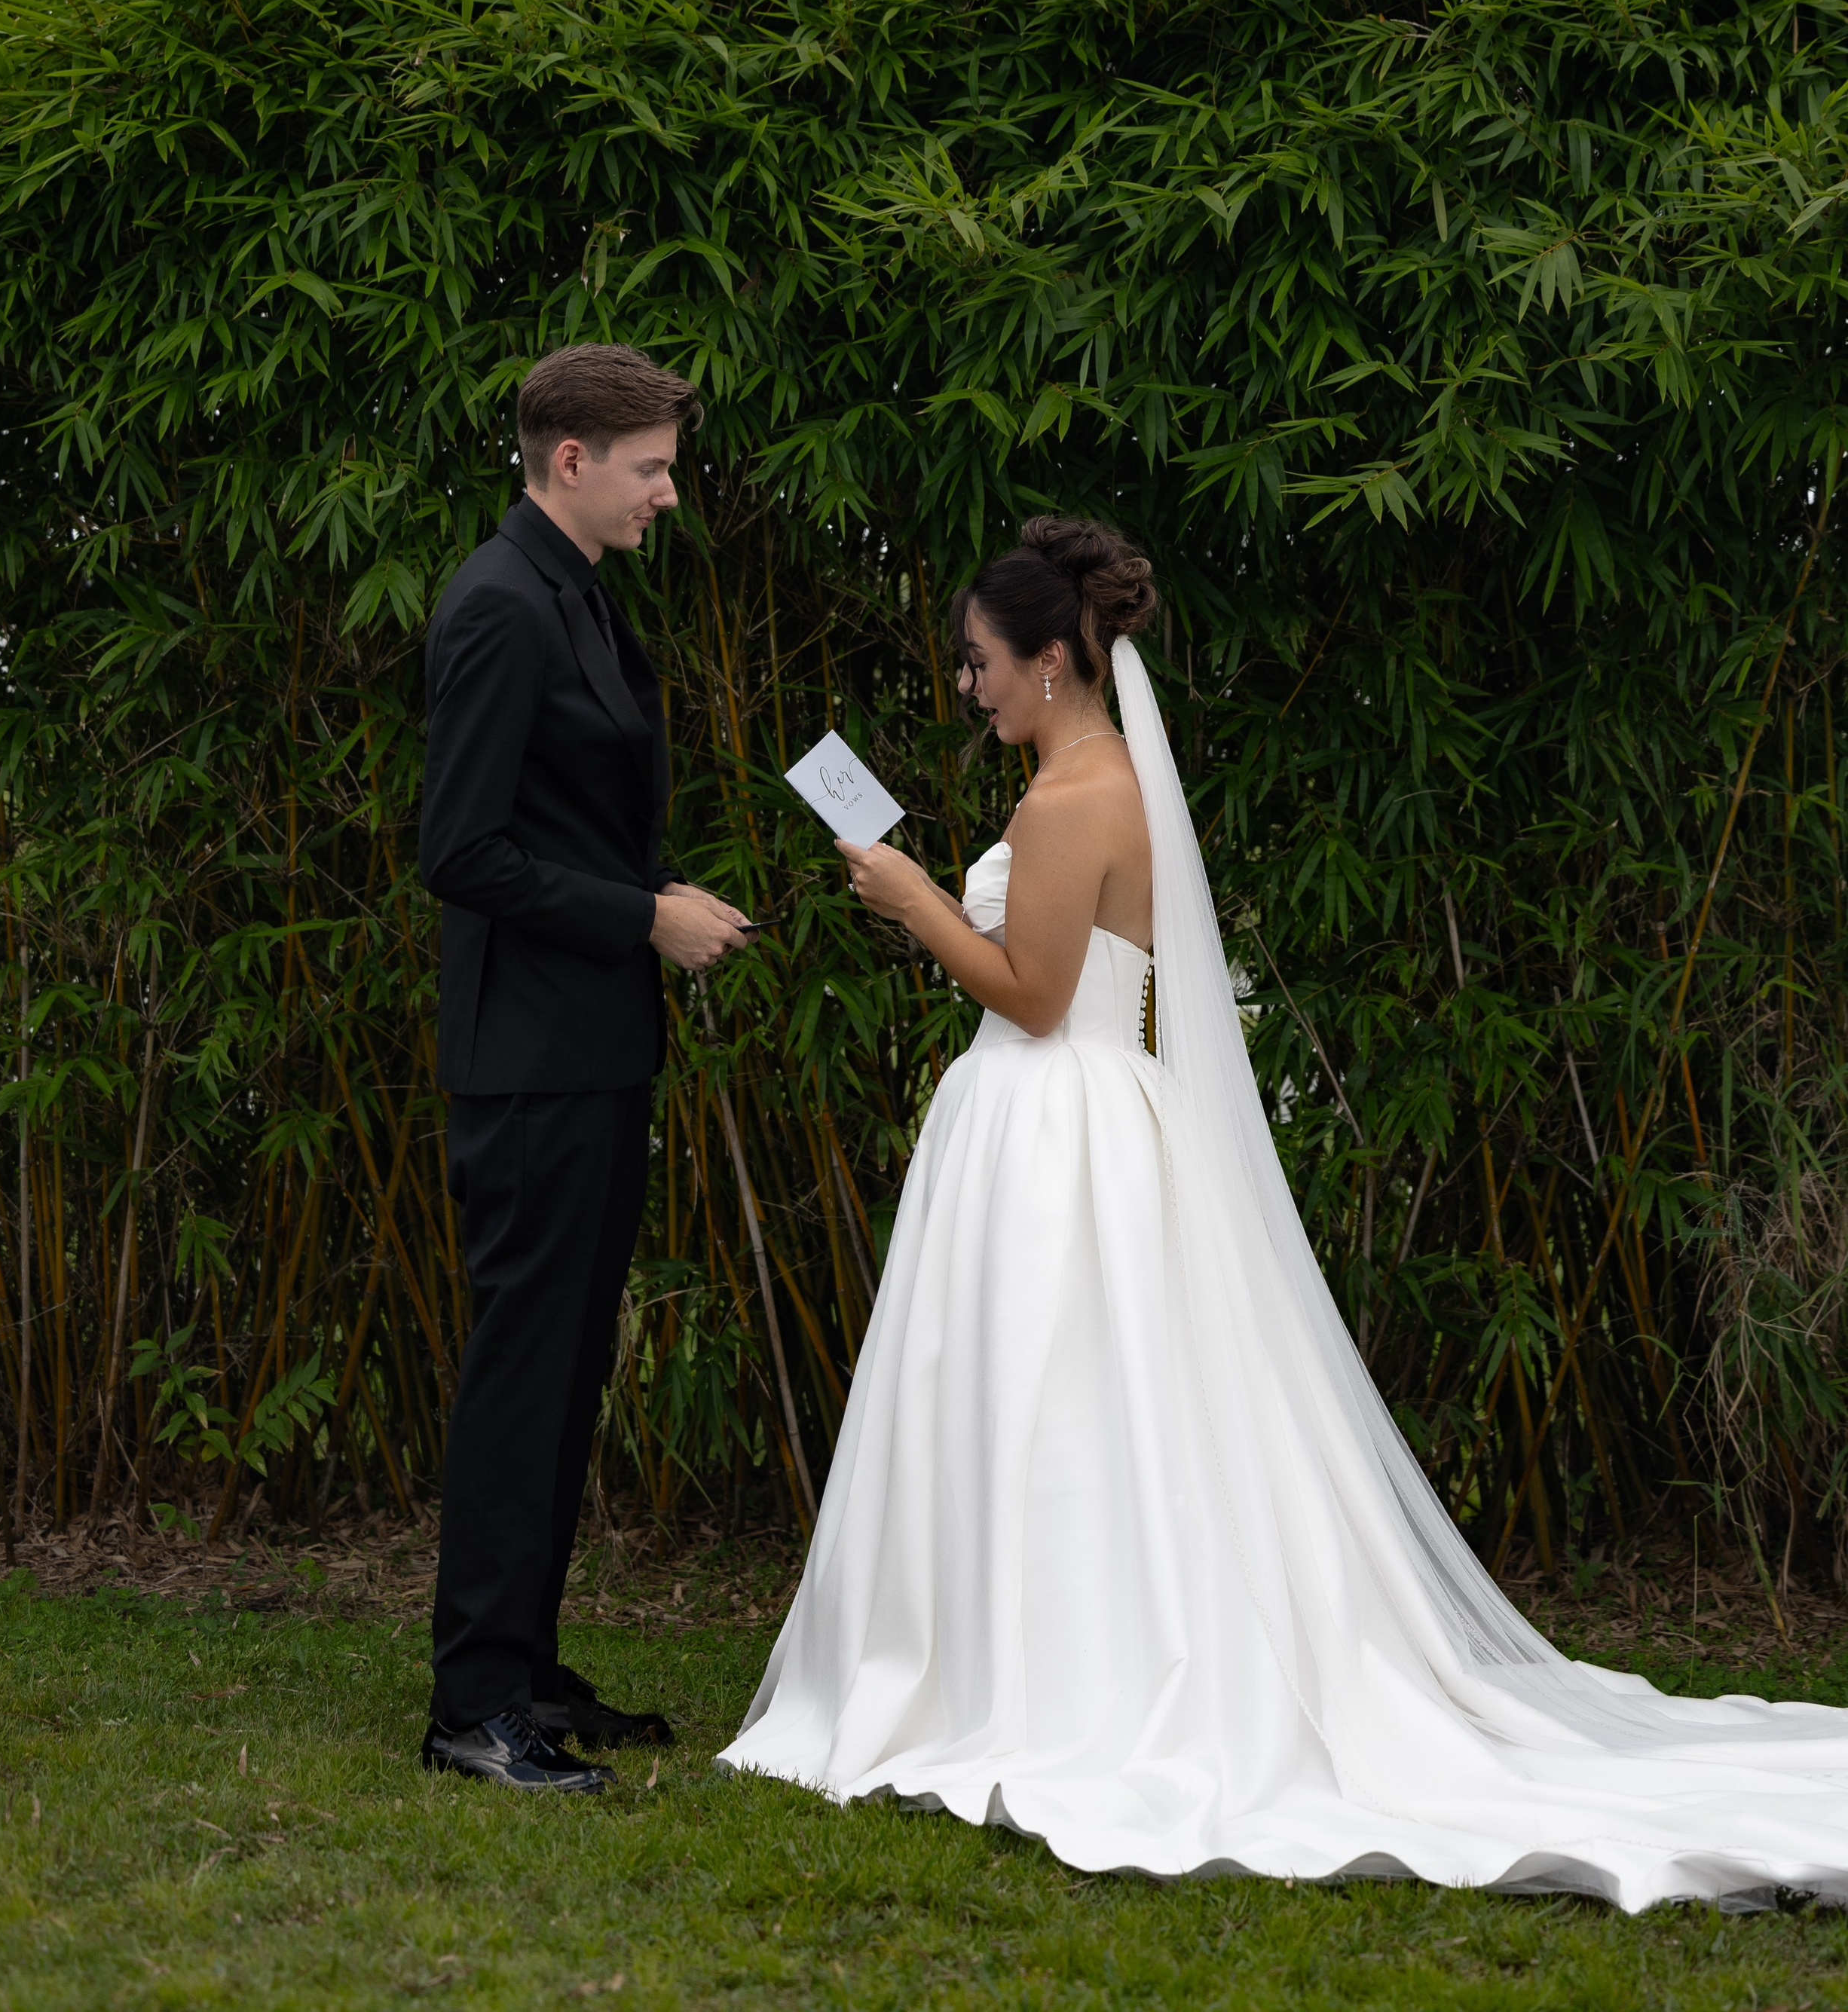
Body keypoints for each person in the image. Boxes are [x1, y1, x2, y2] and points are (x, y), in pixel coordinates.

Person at [723, 515, 1848, 1912]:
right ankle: (1046, 1644)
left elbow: (1030, 991)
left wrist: (904, 897)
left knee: (1049, 1400)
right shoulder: (1116, 774)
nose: (969, 689)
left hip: (1053, 1120)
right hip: (1086, 1120)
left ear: (1056, 660)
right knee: (1080, 1409)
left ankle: (1038, 1670)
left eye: (980, 663)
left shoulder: (1066, 801)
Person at [418, 344, 748, 1791]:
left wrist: (657, 895)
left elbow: (573, 812)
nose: (669, 494)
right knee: (524, 1371)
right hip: (532, 1062)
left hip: (593, 1049)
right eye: (653, 468)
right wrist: (643, 918)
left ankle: (526, 1671)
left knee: (565, 1375)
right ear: (571, 461)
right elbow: (462, 850)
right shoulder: (498, 606)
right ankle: (471, 1707)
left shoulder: (578, 593)